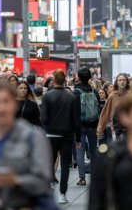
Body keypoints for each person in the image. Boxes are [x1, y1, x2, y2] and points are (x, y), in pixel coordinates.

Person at [41, 69, 80, 204]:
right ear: (64, 80)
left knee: (49, 162)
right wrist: (79, 138)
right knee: (64, 165)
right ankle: (62, 193)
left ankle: (49, 186)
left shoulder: (47, 96)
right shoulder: (71, 97)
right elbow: (76, 120)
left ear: (53, 79)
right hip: (67, 134)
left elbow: (44, 118)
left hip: (50, 134)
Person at [73, 68, 100, 186]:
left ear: (78, 77)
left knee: (80, 152)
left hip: (79, 126)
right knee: (93, 151)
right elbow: (98, 107)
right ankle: (95, 177)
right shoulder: (94, 91)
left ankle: (82, 178)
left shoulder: (75, 92)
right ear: (90, 77)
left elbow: (73, 111)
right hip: (93, 124)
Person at [97, 73, 130, 142]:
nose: (122, 81)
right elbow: (105, 113)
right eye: (120, 80)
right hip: (116, 128)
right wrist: (100, 129)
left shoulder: (131, 95)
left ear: (127, 82)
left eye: (124, 80)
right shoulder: (112, 96)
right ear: (116, 82)